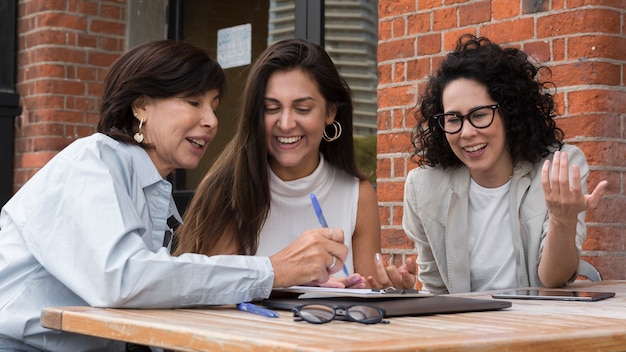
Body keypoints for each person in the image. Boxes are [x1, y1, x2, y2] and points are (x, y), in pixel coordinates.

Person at [0, 40, 347, 352]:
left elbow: (159, 291)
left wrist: (300, 290)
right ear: (141, 107)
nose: (211, 120)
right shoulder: (92, 160)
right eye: (193, 102)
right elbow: (124, 281)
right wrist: (273, 270)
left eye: (213, 106)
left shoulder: (157, 196)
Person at [402, 34, 608, 294]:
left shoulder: (558, 167)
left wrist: (562, 220)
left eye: (479, 115)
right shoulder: (424, 187)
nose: (466, 133)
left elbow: (554, 280)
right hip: (465, 329)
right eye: (453, 119)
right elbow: (435, 290)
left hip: (536, 327)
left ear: (510, 113)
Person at [174, 38, 380, 288]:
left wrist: (391, 291)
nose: (285, 123)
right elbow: (210, 292)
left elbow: (369, 302)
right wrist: (290, 283)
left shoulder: (358, 195)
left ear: (330, 112)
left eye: (302, 109)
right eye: (271, 108)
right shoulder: (226, 190)